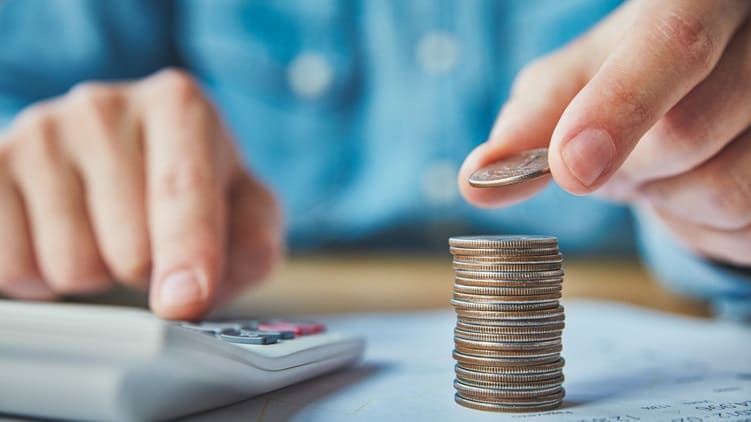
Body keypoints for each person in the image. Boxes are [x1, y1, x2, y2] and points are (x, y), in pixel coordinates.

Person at [0, 0, 749, 321]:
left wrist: (723, 207)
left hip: (667, 302)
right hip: (248, 307)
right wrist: (42, 178)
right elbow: (20, 92)